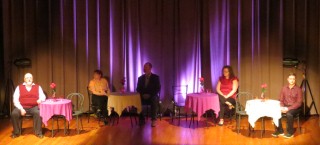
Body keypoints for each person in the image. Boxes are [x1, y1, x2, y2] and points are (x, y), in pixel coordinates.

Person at [11, 73, 46, 138]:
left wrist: (40, 100)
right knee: (14, 113)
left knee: (38, 113)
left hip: (34, 107)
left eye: (30, 77)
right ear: (24, 79)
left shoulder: (38, 87)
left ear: (32, 79)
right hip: (21, 106)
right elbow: (15, 99)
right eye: (27, 78)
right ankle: (16, 133)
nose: (29, 79)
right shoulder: (19, 87)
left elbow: (43, 96)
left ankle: (38, 133)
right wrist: (21, 109)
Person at [272, 73, 302, 139]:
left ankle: (290, 133)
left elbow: (299, 103)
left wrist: (288, 108)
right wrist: (282, 107)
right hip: (285, 106)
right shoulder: (284, 88)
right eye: (290, 79)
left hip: (295, 107)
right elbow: (281, 99)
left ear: (295, 80)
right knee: (275, 111)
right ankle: (280, 131)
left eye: (293, 79)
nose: (292, 80)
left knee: (289, 114)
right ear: (288, 79)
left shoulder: (298, 89)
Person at [136, 62, 161, 127]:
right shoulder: (140, 78)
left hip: (152, 96)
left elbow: (157, 88)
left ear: (150, 68)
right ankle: (141, 118)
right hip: (143, 96)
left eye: (146, 67)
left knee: (154, 98)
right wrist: (143, 94)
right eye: (144, 67)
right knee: (137, 99)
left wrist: (150, 95)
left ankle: (153, 120)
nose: (144, 69)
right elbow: (138, 89)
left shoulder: (155, 77)